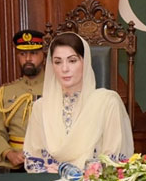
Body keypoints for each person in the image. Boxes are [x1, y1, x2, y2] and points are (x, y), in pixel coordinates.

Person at [23, 32, 133, 172]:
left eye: (72, 60)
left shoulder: (107, 102)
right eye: (58, 62)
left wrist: (71, 173)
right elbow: (33, 159)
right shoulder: (41, 107)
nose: (64, 69)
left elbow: (115, 159)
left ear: (85, 62)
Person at [0, 29, 46, 171]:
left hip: (48, 162)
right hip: (13, 163)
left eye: (34, 53)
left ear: (43, 55)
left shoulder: (58, 89)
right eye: (22, 54)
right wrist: (9, 153)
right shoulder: (5, 92)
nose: (28, 59)